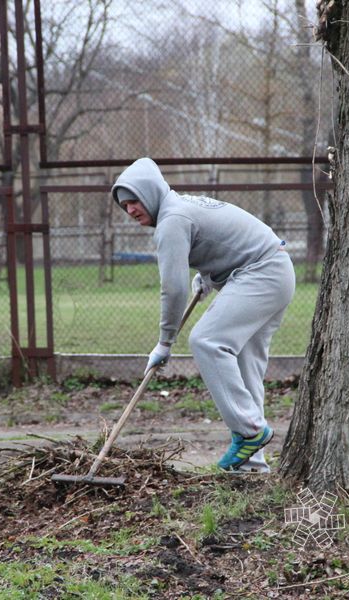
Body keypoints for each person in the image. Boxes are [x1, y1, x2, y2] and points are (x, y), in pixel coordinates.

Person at [112, 158, 296, 473]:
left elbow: (173, 288)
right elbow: (222, 240)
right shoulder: (181, 206)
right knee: (244, 364)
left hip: (261, 272)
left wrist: (165, 342)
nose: (130, 210)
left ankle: (249, 432)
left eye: (134, 201)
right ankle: (250, 464)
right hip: (274, 269)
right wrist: (210, 274)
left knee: (207, 340)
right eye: (124, 206)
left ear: (151, 192)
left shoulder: (172, 219)